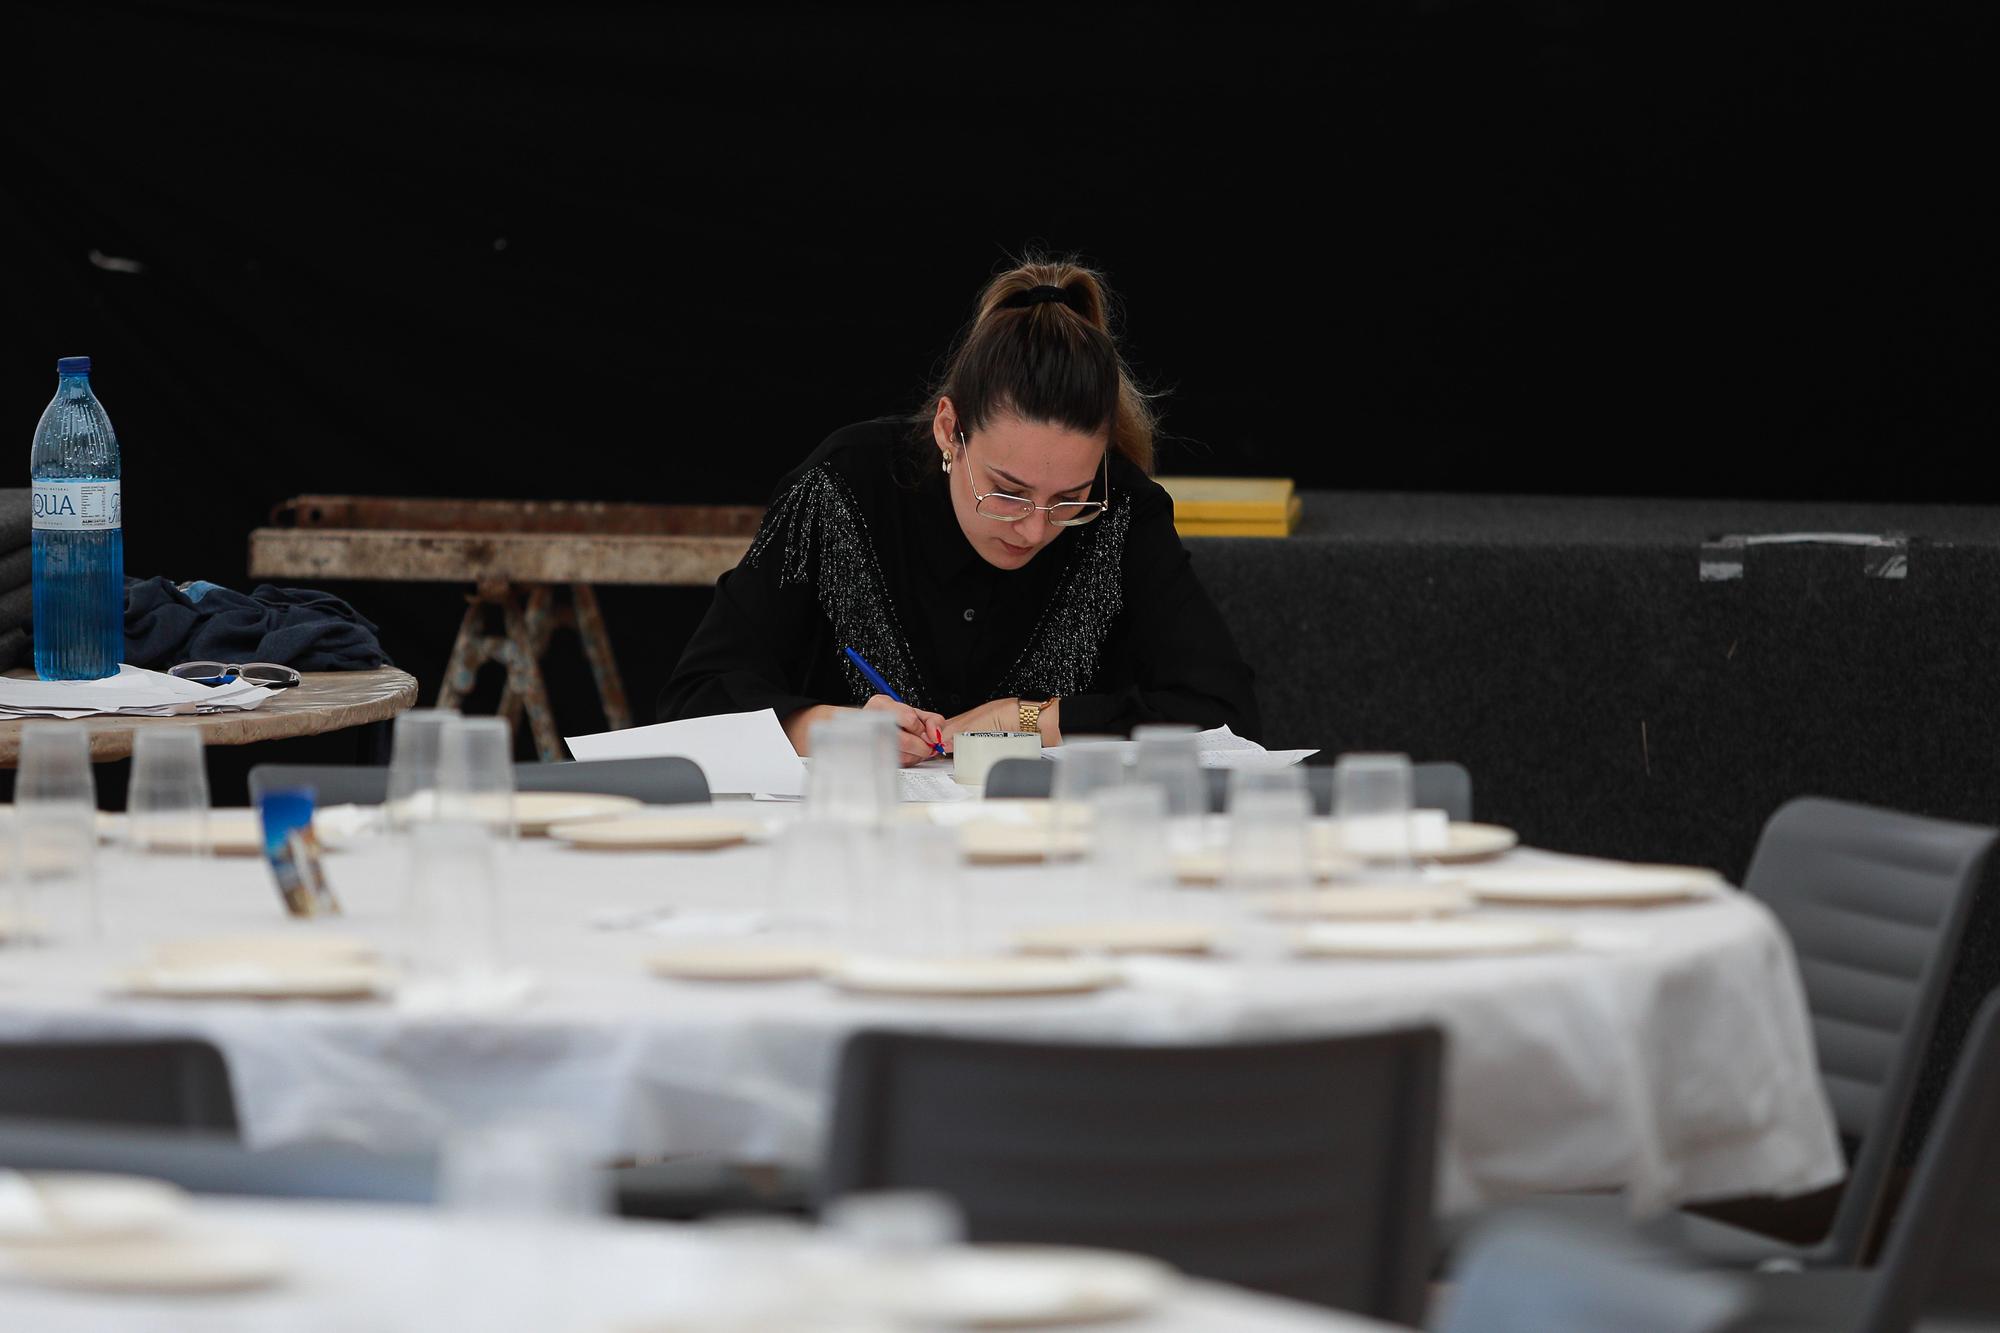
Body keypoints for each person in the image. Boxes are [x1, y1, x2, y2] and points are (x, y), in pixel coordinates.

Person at [658, 256, 1261, 766]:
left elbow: (1224, 717)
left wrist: (1025, 718)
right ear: (950, 430)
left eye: (1069, 500)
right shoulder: (842, 486)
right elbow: (695, 698)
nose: (1033, 528)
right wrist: (824, 728)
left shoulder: (1124, 510)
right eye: (1007, 490)